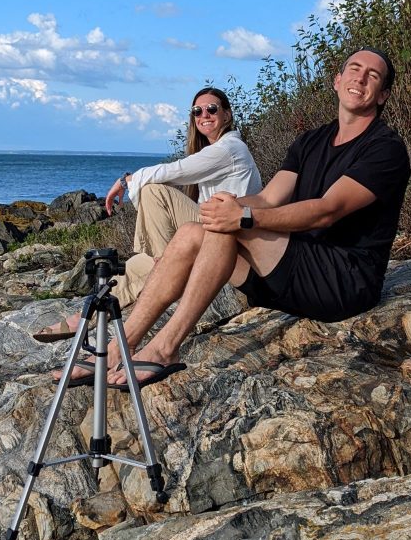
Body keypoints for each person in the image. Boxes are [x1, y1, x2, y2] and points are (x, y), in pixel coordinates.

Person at [97, 47, 410, 390]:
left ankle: (165, 348)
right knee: (192, 231)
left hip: (342, 281)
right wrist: (225, 206)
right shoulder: (310, 141)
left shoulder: (385, 149)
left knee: (232, 223)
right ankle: (118, 347)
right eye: (353, 68)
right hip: (292, 273)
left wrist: (242, 216)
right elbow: (267, 198)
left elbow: (326, 210)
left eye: (373, 75)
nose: (360, 78)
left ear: (383, 95)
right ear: (337, 81)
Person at [34, 87, 261, 353]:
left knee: (154, 190)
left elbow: (175, 171)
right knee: (135, 264)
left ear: (227, 114)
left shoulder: (230, 148)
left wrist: (126, 180)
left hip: (233, 239)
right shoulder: (216, 150)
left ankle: (161, 266)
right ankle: (88, 316)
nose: (204, 115)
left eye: (212, 109)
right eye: (197, 111)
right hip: (215, 232)